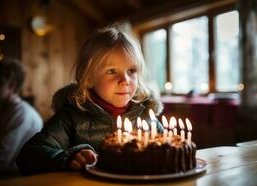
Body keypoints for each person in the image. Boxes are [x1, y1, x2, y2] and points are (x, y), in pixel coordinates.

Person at [17, 27, 163, 175]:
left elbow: (169, 154)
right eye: (112, 71)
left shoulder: (147, 117)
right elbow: (29, 156)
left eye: (131, 71)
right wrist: (69, 157)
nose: (125, 81)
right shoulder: (71, 117)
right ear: (89, 78)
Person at [0, 59, 43, 179]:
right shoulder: (4, 109)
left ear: (11, 85)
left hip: (18, 181)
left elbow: (1, 160)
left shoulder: (22, 114)